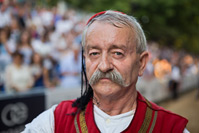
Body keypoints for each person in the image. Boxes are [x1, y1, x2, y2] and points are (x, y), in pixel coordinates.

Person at [23, 10, 189, 133]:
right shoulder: (53, 122)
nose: (104, 66)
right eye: (94, 53)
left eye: (117, 53)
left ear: (141, 63)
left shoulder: (170, 128)